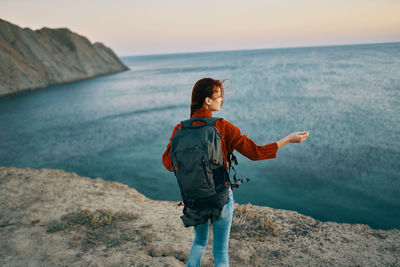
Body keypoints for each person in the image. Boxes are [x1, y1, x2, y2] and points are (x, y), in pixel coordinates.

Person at [162, 77, 309, 267]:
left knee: (199, 243)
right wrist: (288, 140)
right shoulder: (223, 126)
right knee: (221, 251)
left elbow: (167, 163)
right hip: (220, 198)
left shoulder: (179, 128)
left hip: (195, 199)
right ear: (207, 100)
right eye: (219, 96)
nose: (221, 99)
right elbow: (256, 153)